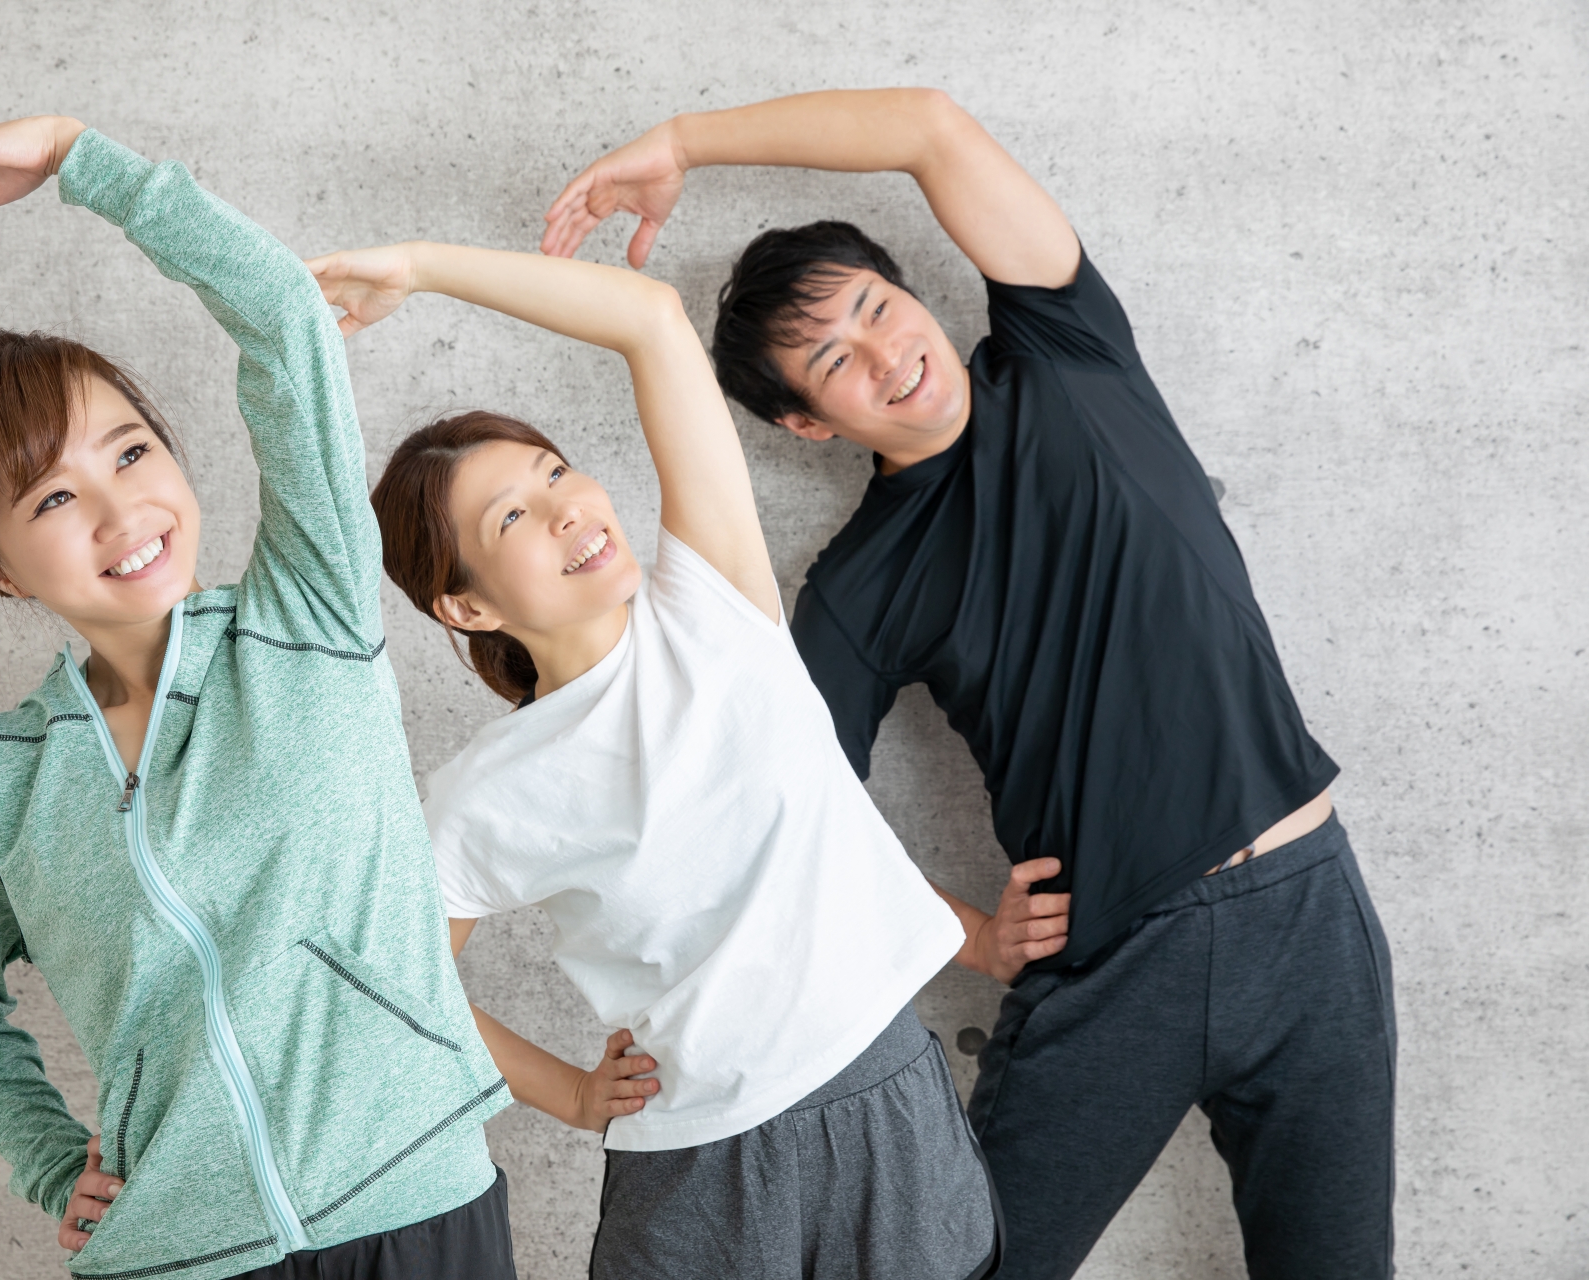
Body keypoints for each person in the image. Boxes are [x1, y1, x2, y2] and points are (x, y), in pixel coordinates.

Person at [543, 88, 1395, 1280]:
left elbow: (930, 129)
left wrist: (683, 141)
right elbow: (787, 810)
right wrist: (975, 933)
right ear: (807, 424)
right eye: (834, 362)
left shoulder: (1065, 350)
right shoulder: (856, 589)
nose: (885, 353)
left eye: (877, 309)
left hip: (1307, 913)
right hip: (1111, 960)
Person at [0, 116, 515, 1280]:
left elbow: (284, 312)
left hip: (417, 1201)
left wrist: (76, 156)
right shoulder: (2, 778)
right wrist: (52, 1161)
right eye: (52, 499)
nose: (118, 511)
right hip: (183, 1254)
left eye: (131, 451)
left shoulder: (307, 617)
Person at [308, 237, 1003, 1279]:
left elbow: (650, 319)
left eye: (554, 472)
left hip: (885, 1098)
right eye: (513, 516)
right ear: (467, 607)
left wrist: (422, 266)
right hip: (703, 1164)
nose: (567, 508)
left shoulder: (713, 602)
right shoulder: (481, 795)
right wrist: (569, 1092)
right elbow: (387, 984)